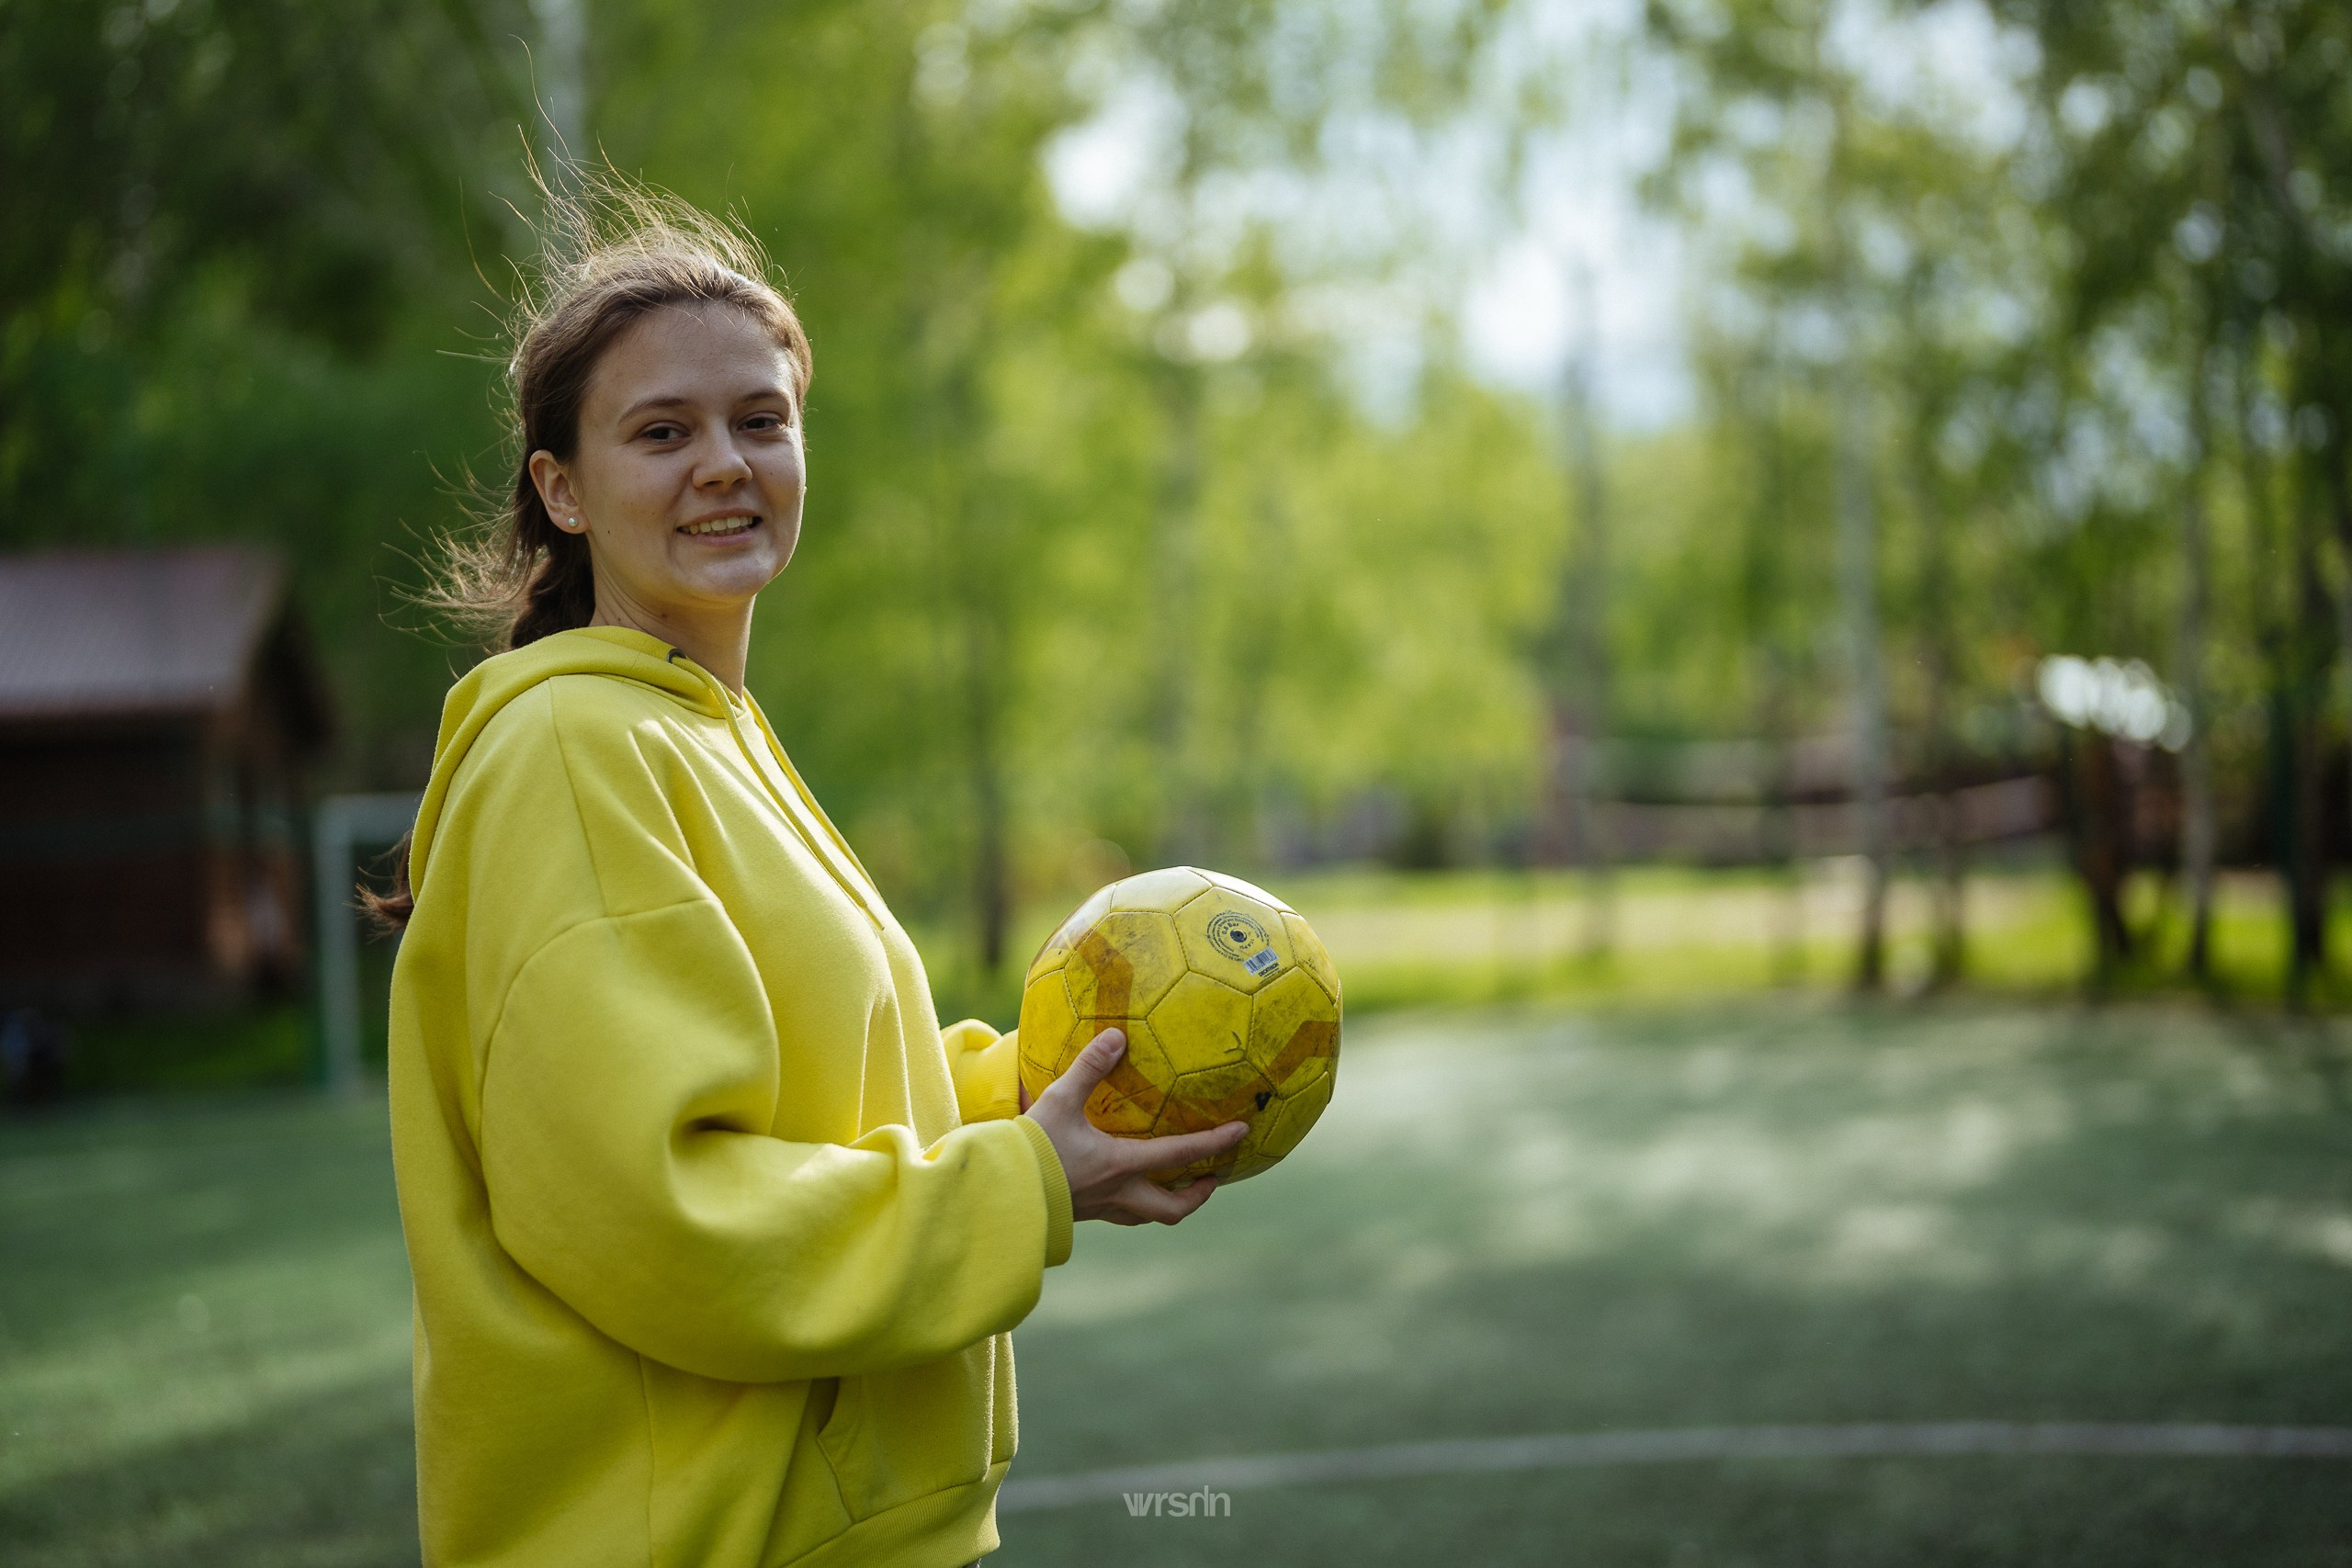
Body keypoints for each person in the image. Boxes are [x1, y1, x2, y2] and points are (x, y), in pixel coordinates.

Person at [371, 185, 1247, 1568]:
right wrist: (1021, 1183)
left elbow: (814, 1098)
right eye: (662, 432)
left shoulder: (700, 731)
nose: (723, 461)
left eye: (758, 420)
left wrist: (1036, 1087)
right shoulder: (572, 749)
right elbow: (665, 1217)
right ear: (563, 489)